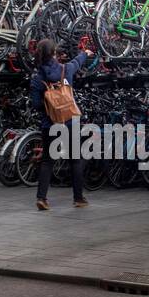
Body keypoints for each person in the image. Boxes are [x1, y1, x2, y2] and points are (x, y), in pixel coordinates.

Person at [30, 38, 93, 210]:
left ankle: (42, 198)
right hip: (70, 121)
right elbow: (77, 62)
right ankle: (78, 198)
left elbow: (36, 104)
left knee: (47, 161)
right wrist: (85, 53)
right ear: (54, 53)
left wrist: (49, 108)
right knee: (75, 160)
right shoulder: (66, 70)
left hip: (50, 124)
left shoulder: (37, 79)